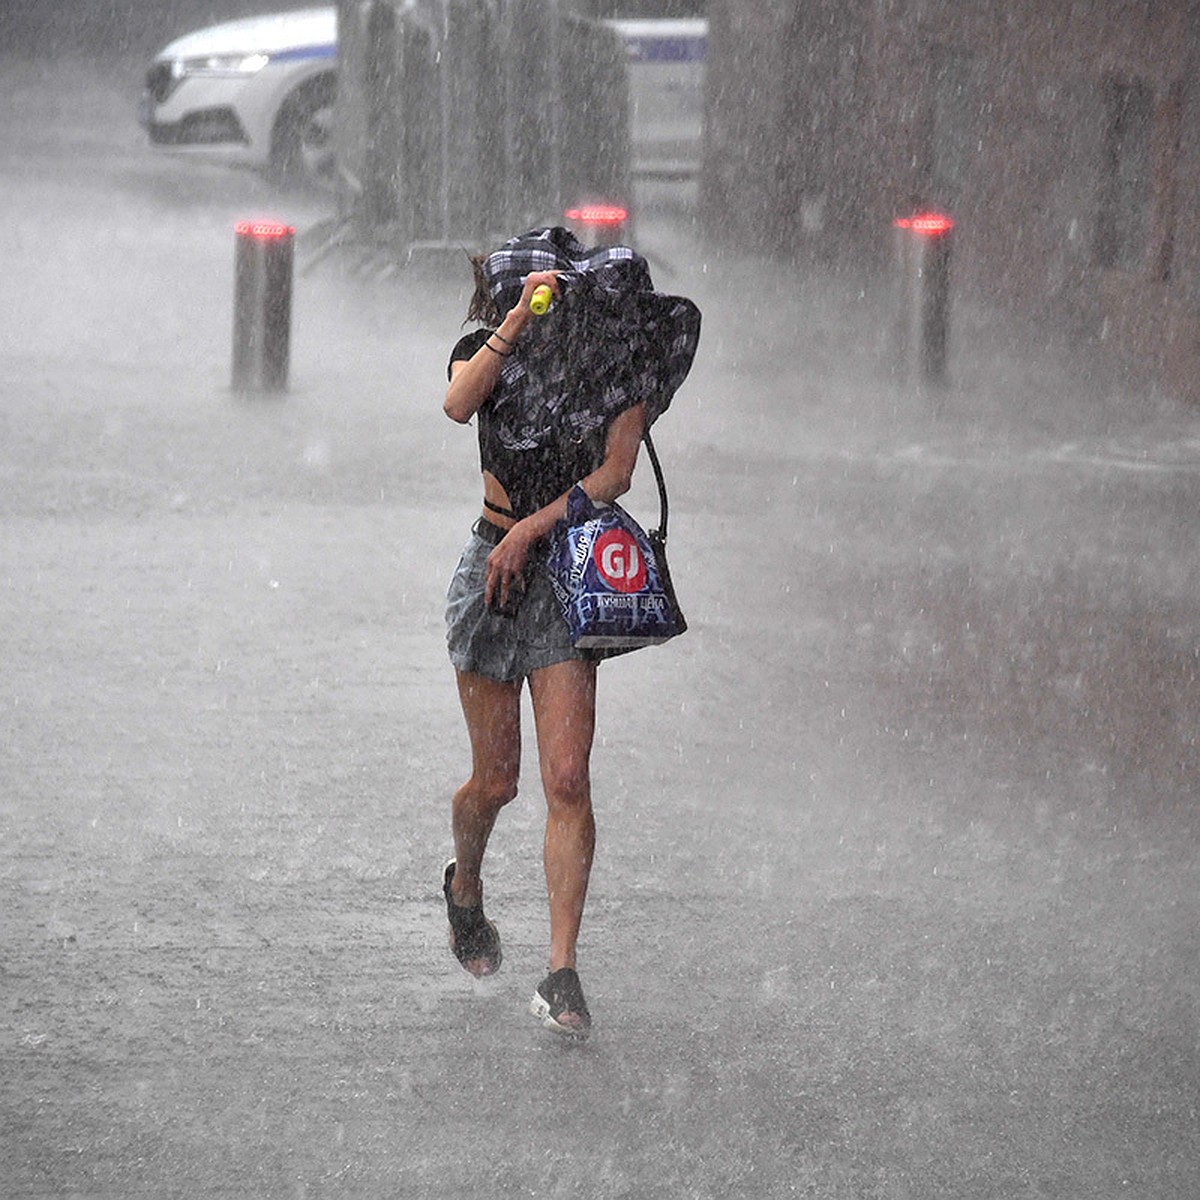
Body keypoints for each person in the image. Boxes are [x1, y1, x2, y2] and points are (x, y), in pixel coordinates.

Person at [440, 227, 700, 1040]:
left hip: (564, 575)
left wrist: (537, 528)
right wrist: (517, 321)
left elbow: (615, 473)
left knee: (566, 778)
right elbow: (456, 403)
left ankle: (561, 973)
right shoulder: (488, 345)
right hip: (489, 572)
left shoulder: (621, 372)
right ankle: (466, 888)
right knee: (497, 781)